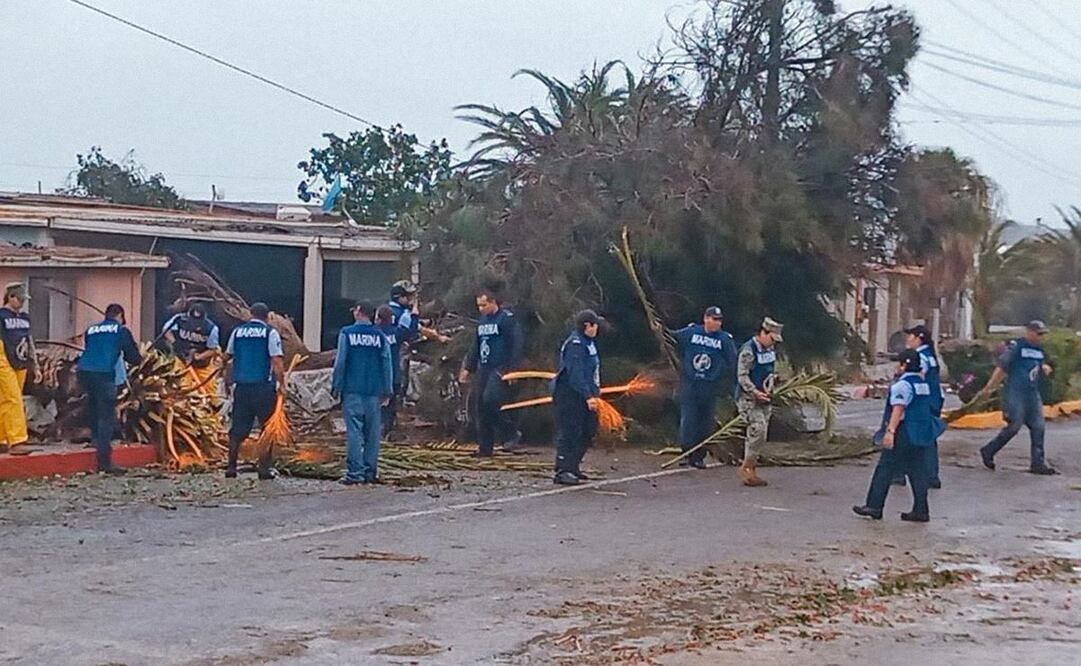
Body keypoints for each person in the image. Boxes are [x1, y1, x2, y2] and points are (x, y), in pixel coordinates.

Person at [853, 349, 943, 522]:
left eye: (899, 363)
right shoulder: (922, 384)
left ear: (904, 365)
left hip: (904, 431)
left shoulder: (902, 385)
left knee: (885, 468)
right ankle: (921, 510)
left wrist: (890, 432)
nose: (897, 367)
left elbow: (899, 408)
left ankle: (874, 506)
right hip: (920, 432)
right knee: (917, 470)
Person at [975, 320, 1058, 475]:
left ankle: (1038, 463)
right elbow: (1001, 368)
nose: (1041, 337)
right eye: (1038, 333)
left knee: (1039, 427)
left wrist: (1045, 367)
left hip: (1032, 394)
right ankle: (988, 450)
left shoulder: (1039, 349)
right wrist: (989, 388)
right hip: (1015, 393)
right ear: (1029, 332)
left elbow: (1039, 365)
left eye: (1042, 334)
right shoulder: (1017, 347)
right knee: (1014, 426)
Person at [332, 302, 394, 485]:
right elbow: (387, 364)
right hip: (374, 392)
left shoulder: (347, 333)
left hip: (353, 390)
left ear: (359, 312)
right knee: (372, 434)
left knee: (354, 432)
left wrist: (336, 385)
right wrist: (388, 389)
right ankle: (370, 472)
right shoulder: (381, 337)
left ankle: (354, 473)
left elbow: (341, 362)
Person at [76, 304, 142, 473]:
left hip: (83, 372)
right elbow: (133, 357)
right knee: (107, 416)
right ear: (119, 315)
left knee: (93, 406)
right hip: (104, 374)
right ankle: (104, 462)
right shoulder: (121, 331)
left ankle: (95, 440)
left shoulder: (91, 330)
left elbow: (93, 350)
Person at [223, 302, 284, 480]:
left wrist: (228, 381)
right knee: (267, 427)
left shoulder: (238, 332)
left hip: (241, 388)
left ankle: (231, 467)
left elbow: (228, 358)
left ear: (250, 314)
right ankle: (264, 469)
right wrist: (282, 384)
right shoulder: (270, 333)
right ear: (267, 316)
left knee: (237, 429)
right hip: (263, 387)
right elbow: (276, 361)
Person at [459, 288, 523, 456]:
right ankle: (485, 448)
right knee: (480, 407)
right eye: (479, 306)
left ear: (493, 302)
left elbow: (516, 344)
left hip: (500, 368)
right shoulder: (482, 322)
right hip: (484, 368)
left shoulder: (506, 320)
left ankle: (510, 432)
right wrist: (468, 368)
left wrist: (513, 369)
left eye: (484, 305)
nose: (481, 309)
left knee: (491, 401)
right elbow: (476, 346)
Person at [673, 306, 737, 469]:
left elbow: (733, 362)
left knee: (704, 422)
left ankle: (699, 455)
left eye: (719, 320)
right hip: (690, 383)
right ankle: (686, 453)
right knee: (688, 419)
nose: (717, 323)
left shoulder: (724, 339)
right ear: (706, 318)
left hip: (709, 386)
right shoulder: (692, 332)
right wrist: (658, 328)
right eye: (714, 319)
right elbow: (671, 337)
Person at [551, 310, 603, 485]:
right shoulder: (575, 344)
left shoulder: (589, 343)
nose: (597, 329)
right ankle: (562, 470)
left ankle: (573, 465)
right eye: (595, 325)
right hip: (571, 395)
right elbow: (576, 374)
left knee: (588, 429)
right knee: (570, 431)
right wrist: (588, 396)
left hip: (588, 395)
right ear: (587, 325)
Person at [892, 325, 944, 489]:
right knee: (926, 437)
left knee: (909, 436)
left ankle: (908, 474)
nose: (908, 339)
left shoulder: (920, 357)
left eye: (911, 336)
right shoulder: (930, 355)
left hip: (921, 400)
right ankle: (929, 475)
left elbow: (919, 376)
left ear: (918, 338)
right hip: (932, 399)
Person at [735, 317, 784, 487]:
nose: (772, 344)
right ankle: (747, 467)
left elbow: (769, 370)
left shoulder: (770, 350)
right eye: (771, 339)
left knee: (760, 436)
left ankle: (751, 467)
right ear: (763, 333)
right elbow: (742, 376)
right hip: (749, 398)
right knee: (758, 428)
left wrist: (775, 381)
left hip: (766, 398)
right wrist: (755, 392)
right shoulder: (749, 350)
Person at [0, 283, 38, 451]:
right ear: (11, 297)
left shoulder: (25, 318)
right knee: (12, 399)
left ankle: (2, 437)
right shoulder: (1, 316)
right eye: (20, 299)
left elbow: (30, 342)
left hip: (21, 361)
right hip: (3, 359)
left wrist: (35, 365)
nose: (22, 303)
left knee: (7, 400)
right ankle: (17, 440)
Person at [161, 303, 221, 396]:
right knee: (182, 388)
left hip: (202, 364)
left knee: (209, 391)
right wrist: (175, 342)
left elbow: (213, 349)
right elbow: (165, 330)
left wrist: (199, 357)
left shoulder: (211, 328)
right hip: (182, 361)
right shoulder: (179, 320)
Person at [376, 304, 405, 437]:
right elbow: (410, 331)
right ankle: (389, 429)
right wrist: (414, 313)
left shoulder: (375, 334)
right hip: (395, 376)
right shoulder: (396, 333)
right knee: (391, 406)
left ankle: (379, 431)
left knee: (379, 407)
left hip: (378, 378)